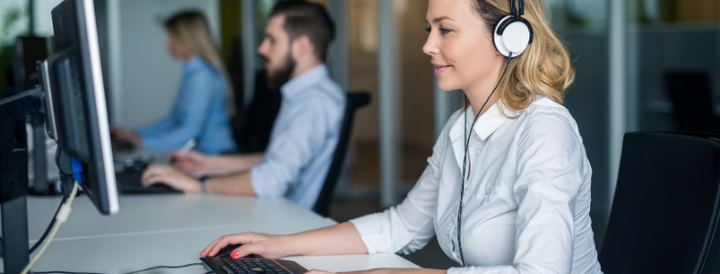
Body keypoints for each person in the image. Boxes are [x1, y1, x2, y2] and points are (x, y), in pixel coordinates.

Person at [199, 0, 603, 273]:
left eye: (445, 30)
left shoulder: (545, 132)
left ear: (508, 38)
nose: (428, 45)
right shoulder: (460, 128)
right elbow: (400, 227)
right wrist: (281, 246)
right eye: (429, 29)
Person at [140, 1, 345, 211]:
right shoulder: (308, 95)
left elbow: (271, 180)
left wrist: (198, 184)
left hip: (282, 219)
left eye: (272, 40)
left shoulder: (312, 103)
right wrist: (211, 163)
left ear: (302, 46)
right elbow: (277, 158)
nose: (261, 48)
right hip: (274, 210)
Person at [110, 11, 237, 155]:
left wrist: (143, 142)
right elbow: (174, 119)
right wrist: (135, 134)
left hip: (217, 155)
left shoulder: (202, 76)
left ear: (188, 39)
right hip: (202, 155)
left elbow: (189, 132)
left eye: (172, 37)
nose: (167, 43)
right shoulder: (191, 72)